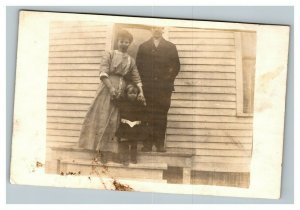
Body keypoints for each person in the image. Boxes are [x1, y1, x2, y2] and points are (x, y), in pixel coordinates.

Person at [78, 30, 146, 164]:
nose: (124, 44)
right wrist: (110, 88)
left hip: (121, 91)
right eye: (122, 41)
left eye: (127, 42)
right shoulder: (109, 54)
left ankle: (111, 152)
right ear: (117, 41)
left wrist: (141, 92)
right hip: (107, 88)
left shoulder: (130, 60)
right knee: (103, 117)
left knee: (115, 120)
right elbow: (103, 72)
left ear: (129, 44)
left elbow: (136, 77)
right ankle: (98, 151)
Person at [136, 26, 180, 152]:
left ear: (163, 29)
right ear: (151, 29)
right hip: (147, 88)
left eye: (159, 27)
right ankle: (147, 144)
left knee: (161, 115)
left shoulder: (171, 47)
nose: (156, 30)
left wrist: (166, 81)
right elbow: (138, 67)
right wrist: (142, 85)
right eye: (154, 27)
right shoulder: (143, 47)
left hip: (163, 89)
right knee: (147, 114)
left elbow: (176, 66)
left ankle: (159, 144)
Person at [115, 84, 147, 166]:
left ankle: (133, 158)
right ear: (126, 94)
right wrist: (118, 95)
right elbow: (115, 102)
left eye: (134, 93)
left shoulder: (139, 103)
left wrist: (143, 102)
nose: (132, 95)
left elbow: (144, 113)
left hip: (135, 127)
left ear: (137, 94)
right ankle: (124, 159)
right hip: (125, 126)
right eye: (130, 93)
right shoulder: (123, 102)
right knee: (124, 143)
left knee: (134, 143)